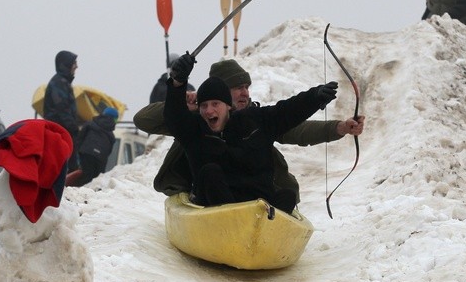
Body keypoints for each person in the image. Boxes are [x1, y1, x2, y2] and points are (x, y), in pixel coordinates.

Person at [134, 58, 365, 204]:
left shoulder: (254, 119)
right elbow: (145, 120)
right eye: (238, 88)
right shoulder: (196, 120)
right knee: (211, 172)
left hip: (248, 189)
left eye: (247, 87)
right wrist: (181, 99)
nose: (245, 93)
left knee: (283, 194)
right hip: (209, 189)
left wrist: (339, 127)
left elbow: (294, 125)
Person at [43, 50, 80, 169]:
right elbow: (62, 109)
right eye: (74, 63)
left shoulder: (63, 83)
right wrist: (74, 128)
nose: (77, 66)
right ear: (66, 64)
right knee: (64, 168)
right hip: (59, 134)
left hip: (62, 133)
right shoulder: (58, 83)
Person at [72, 106, 118, 186]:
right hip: (100, 159)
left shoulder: (90, 124)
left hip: (86, 153)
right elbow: (108, 152)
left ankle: (74, 192)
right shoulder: (111, 136)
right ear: (115, 119)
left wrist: (77, 154)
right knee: (96, 181)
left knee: (84, 176)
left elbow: (79, 139)